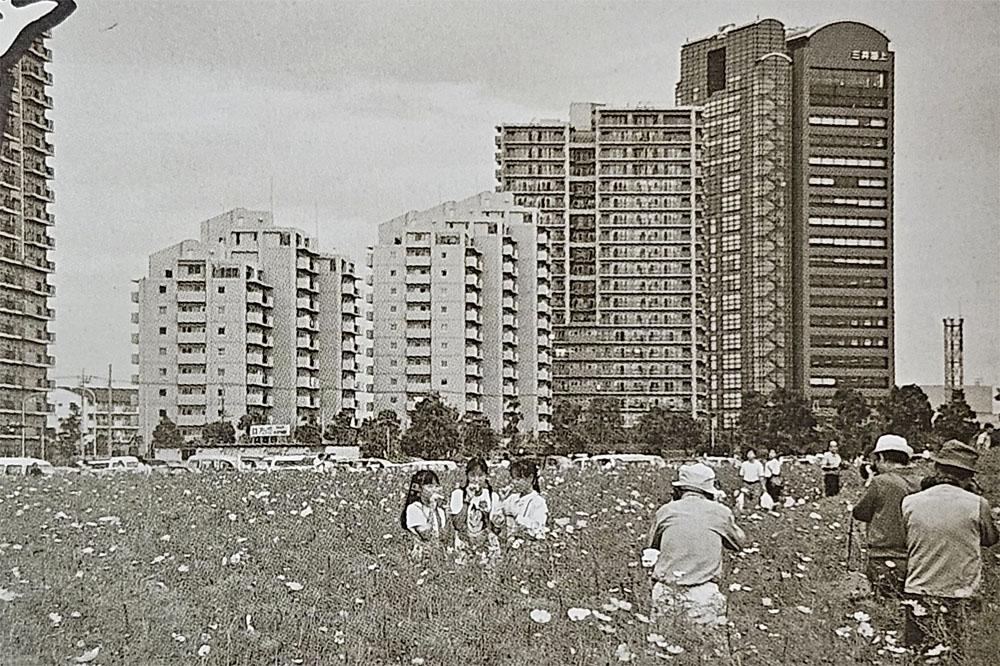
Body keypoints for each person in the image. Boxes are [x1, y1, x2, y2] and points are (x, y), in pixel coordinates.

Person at [901, 440, 999, 658]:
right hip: (961, 591)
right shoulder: (977, 503)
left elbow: (905, 539)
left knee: (919, 654)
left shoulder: (910, 502)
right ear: (968, 476)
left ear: (937, 468)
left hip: (919, 588)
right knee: (954, 654)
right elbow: (990, 539)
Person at [646, 463, 745, 654]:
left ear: (678, 488)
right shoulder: (719, 512)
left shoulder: (665, 511)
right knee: (709, 655)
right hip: (704, 594)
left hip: (667, 592)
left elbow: (652, 546)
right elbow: (739, 543)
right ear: (710, 490)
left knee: (662, 653)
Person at [851, 434, 921, 598]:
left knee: (883, 602)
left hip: (884, 555)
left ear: (881, 457)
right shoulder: (920, 482)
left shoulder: (881, 482)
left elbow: (860, 512)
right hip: (914, 554)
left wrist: (869, 480)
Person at [450, 457, 504, 557]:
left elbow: (495, 529)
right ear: (467, 475)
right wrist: (467, 500)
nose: (476, 480)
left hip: (486, 548)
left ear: (486, 476)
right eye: (472, 475)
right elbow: (457, 524)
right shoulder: (458, 494)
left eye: (480, 476)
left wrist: (498, 522)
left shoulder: (493, 496)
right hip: (464, 546)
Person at [400, 470, 450, 560]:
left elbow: (444, 537)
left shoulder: (439, 511)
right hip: (422, 555)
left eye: (436, 486)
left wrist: (447, 514)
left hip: (438, 555)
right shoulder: (414, 508)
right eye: (430, 486)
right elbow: (426, 534)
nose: (434, 489)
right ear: (420, 489)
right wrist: (431, 508)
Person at [501, 459, 548, 539]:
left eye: (518, 479)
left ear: (530, 478)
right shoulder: (512, 498)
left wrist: (518, 517)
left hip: (527, 545)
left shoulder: (538, 502)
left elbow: (538, 529)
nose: (514, 482)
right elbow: (498, 518)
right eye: (513, 478)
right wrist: (502, 499)